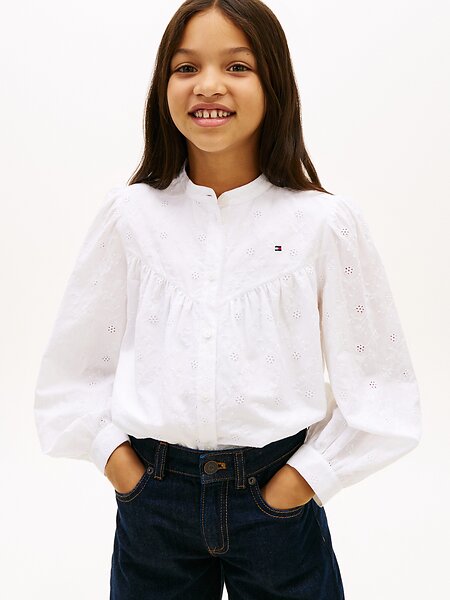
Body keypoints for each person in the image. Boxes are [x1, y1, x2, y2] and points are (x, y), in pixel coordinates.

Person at [33, 1, 422, 598]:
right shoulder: (130, 217)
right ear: (163, 86)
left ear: (274, 84)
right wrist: (124, 469)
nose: (208, 85)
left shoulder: (323, 223)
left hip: (276, 502)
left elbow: (382, 390)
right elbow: (74, 370)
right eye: (186, 67)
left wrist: (298, 483)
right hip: (154, 501)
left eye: (237, 66)